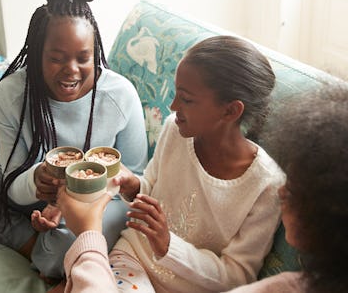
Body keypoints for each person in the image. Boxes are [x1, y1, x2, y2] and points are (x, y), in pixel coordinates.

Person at [58, 77, 348, 293]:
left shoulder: (264, 189)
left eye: (300, 188)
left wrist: (89, 234)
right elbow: (152, 182)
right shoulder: (295, 283)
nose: (285, 191)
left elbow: (232, 273)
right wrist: (134, 189)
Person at [0, 0, 148, 280]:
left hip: (99, 201)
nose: (71, 70)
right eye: (57, 58)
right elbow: (13, 186)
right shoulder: (12, 93)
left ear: (94, 52)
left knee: (63, 251)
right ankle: (31, 242)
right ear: (36, 54)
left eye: (83, 57)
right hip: (30, 192)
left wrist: (78, 202)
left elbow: (134, 185)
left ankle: (51, 248)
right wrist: (38, 180)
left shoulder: (120, 94)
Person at [107, 35, 285, 293]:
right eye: (176, 93)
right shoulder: (174, 129)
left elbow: (236, 278)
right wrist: (133, 188)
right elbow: (152, 193)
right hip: (133, 259)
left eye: (186, 99)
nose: (172, 106)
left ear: (230, 111)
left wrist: (168, 246)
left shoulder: (266, 186)